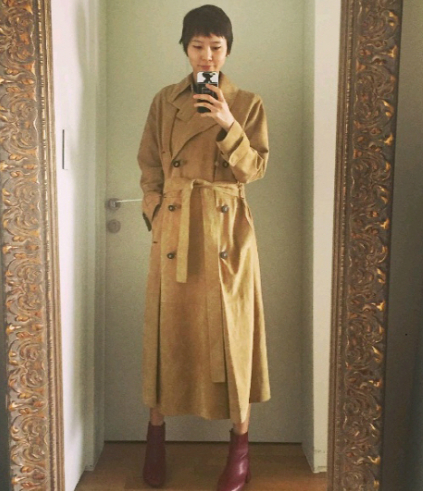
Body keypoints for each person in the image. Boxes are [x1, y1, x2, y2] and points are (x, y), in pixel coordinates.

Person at [137, 5, 271, 490]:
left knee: (232, 337)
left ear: (228, 50)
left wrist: (228, 124)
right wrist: (156, 210)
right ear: (185, 48)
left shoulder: (247, 103)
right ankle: (155, 438)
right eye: (197, 46)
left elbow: (254, 170)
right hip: (174, 231)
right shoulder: (164, 101)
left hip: (226, 236)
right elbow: (150, 165)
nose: (206, 56)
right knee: (166, 335)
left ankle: (240, 447)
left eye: (216, 47)